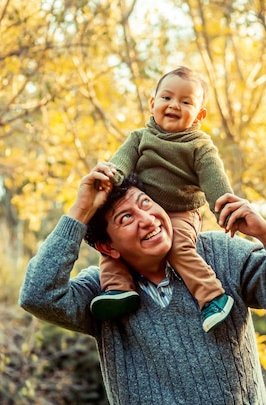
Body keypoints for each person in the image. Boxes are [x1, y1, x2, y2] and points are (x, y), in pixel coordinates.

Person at [18, 164, 266, 405]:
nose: (147, 219)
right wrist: (80, 211)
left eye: (146, 204)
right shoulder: (103, 295)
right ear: (107, 247)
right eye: (126, 217)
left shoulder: (222, 255)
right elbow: (38, 295)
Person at [91, 66, 236, 332]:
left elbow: (215, 182)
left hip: (181, 213)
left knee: (179, 248)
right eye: (167, 98)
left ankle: (212, 297)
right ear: (152, 103)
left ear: (199, 115)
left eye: (186, 101)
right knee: (112, 248)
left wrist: (226, 211)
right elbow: (121, 162)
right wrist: (111, 177)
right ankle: (118, 290)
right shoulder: (140, 137)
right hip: (144, 209)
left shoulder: (199, 145)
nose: (174, 105)